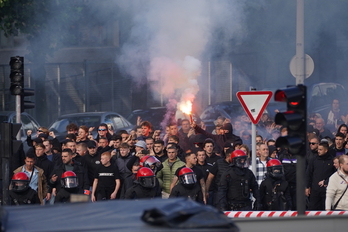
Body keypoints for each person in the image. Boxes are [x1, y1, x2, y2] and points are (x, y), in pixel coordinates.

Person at [306, 142, 336, 210]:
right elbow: (309, 173)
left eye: (320, 149)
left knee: (326, 208)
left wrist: (327, 181)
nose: (318, 151)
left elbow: (334, 174)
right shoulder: (314, 159)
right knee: (313, 209)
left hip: (327, 190)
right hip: (315, 190)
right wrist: (307, 187)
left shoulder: (331, 160)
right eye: (318, 149)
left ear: (326, 150)